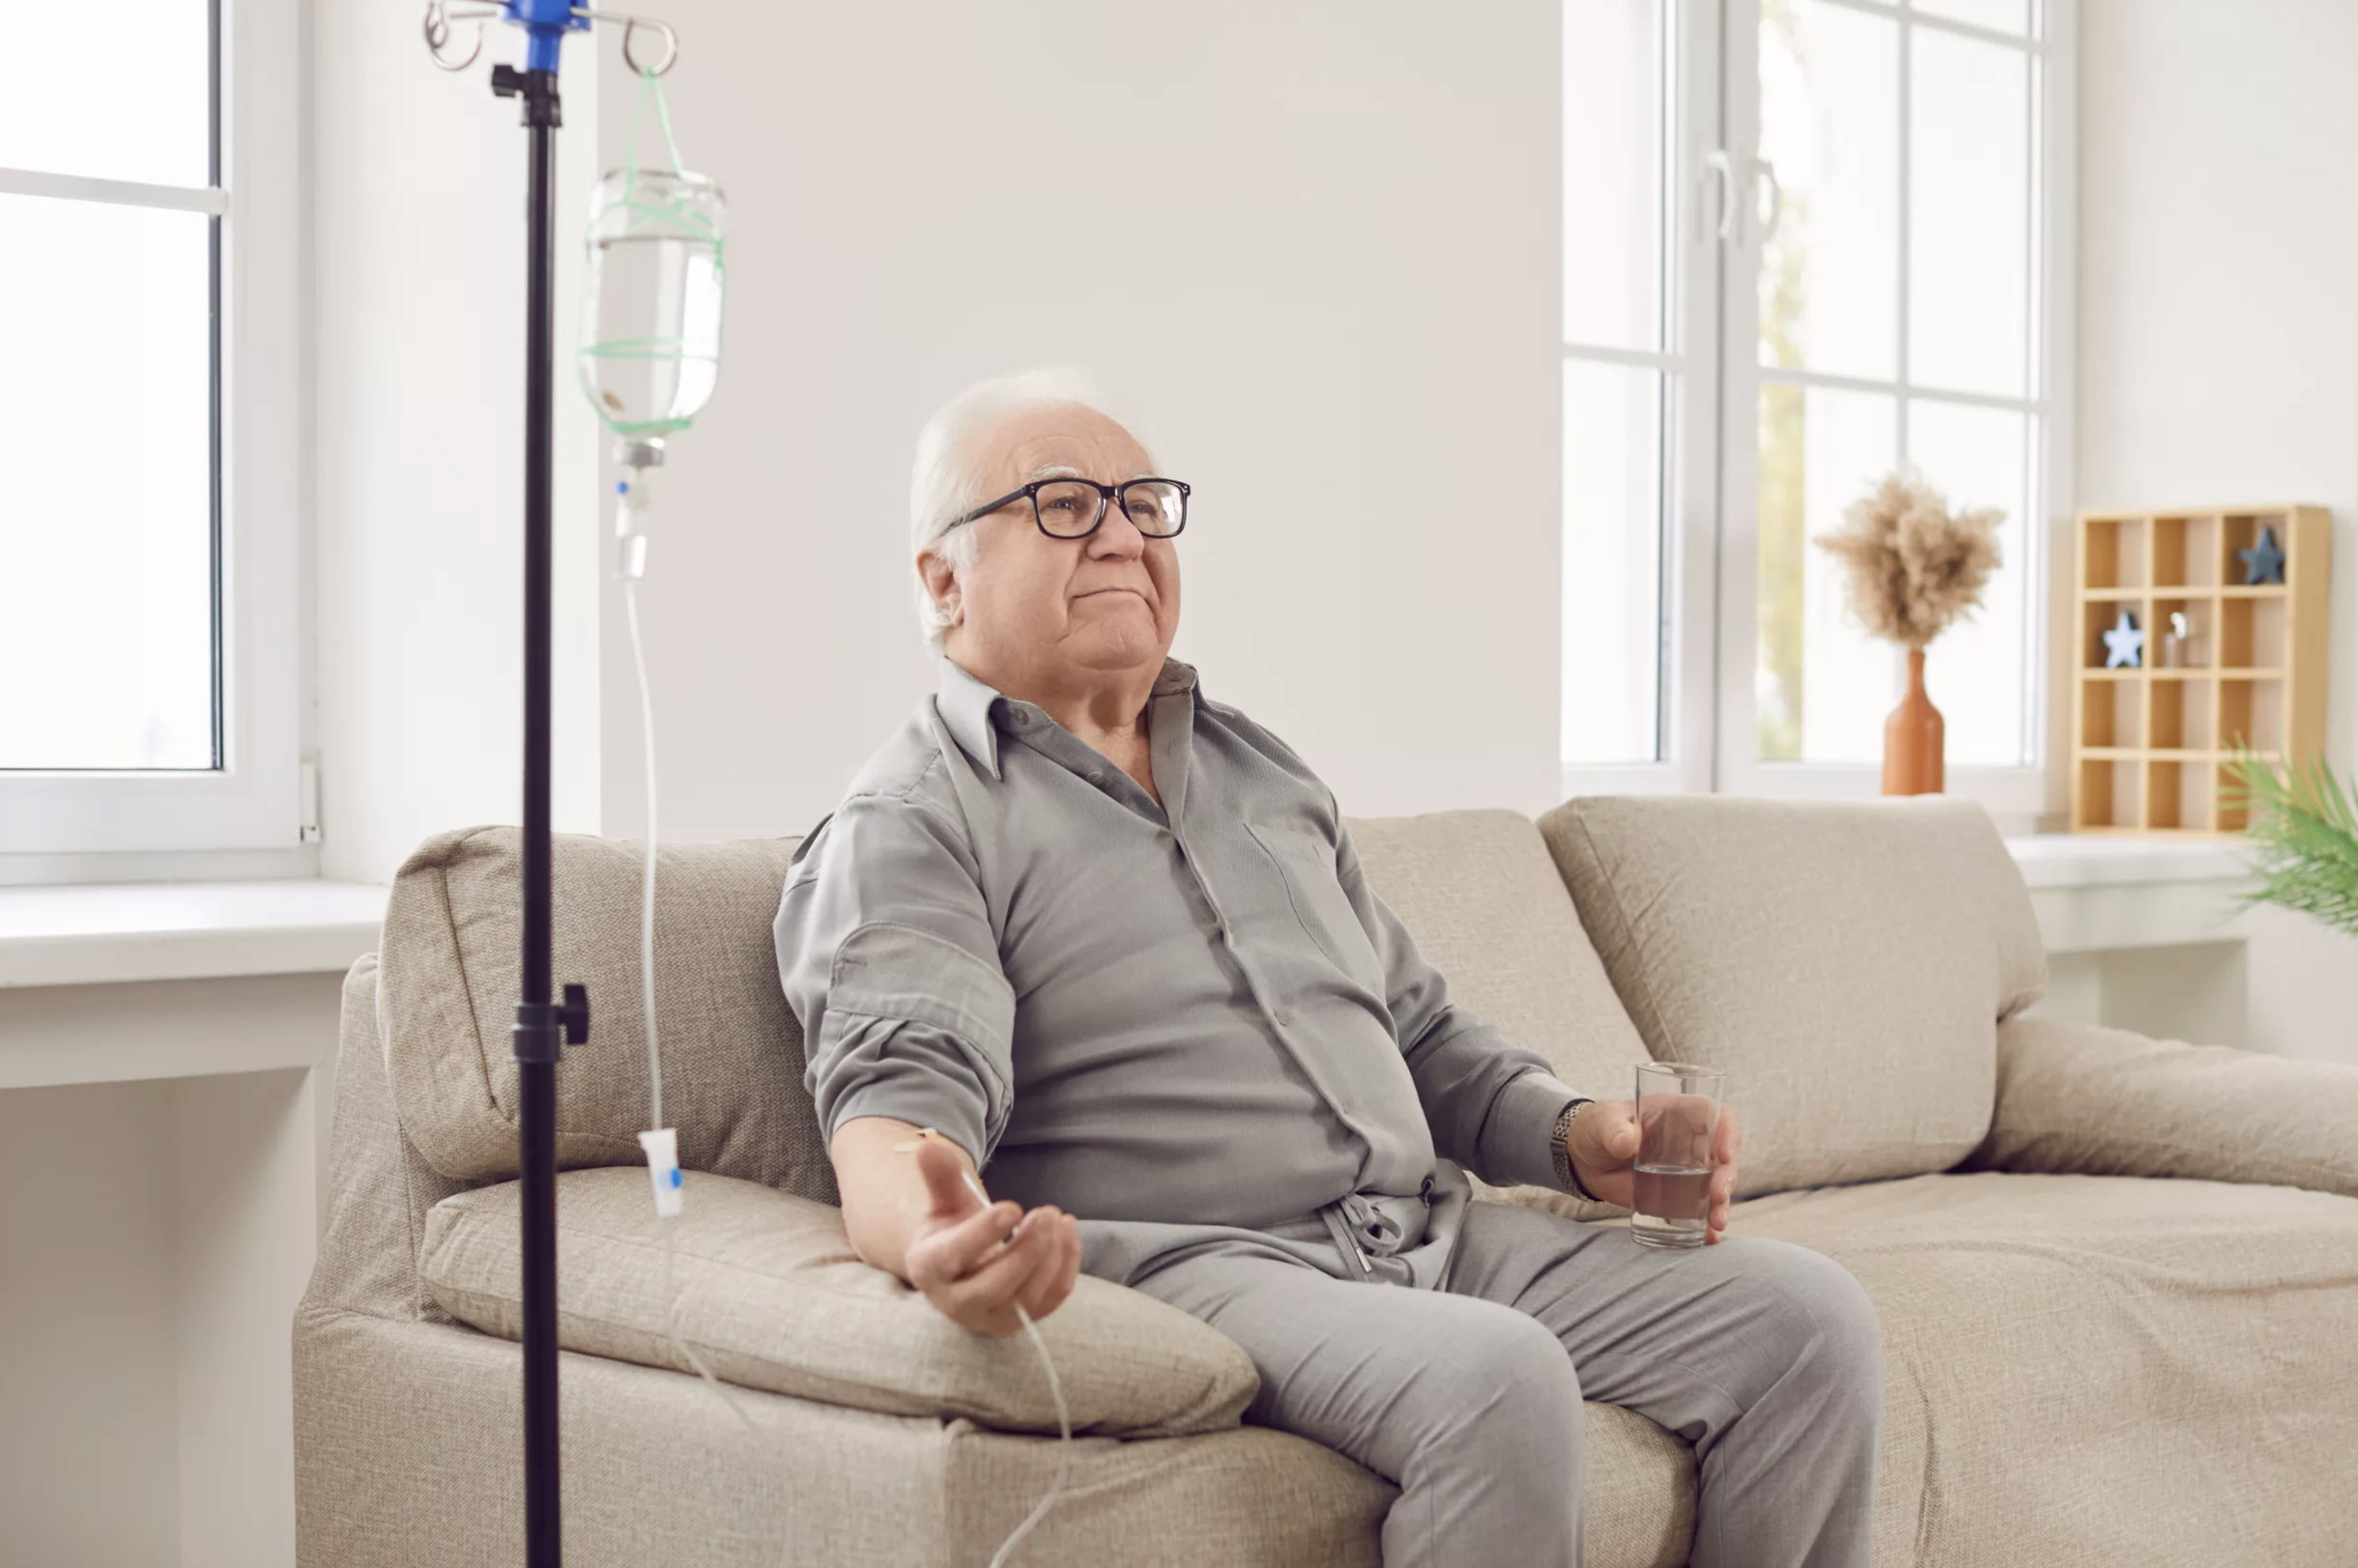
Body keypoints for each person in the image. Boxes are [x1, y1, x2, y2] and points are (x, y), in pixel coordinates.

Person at [773, 370, 1883, 1568]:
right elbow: (895, 1102)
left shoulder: (1264, 774)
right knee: (1497, 1378)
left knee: (1805, 1321)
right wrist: (926, 1233)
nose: (1121, 533)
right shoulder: (913, 820)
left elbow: (1417, 1031)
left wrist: (1576, 1137)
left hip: (1427, 1233)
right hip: (1205, 1260)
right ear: (941, 581)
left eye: (1143, 503)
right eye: (1060, 504)